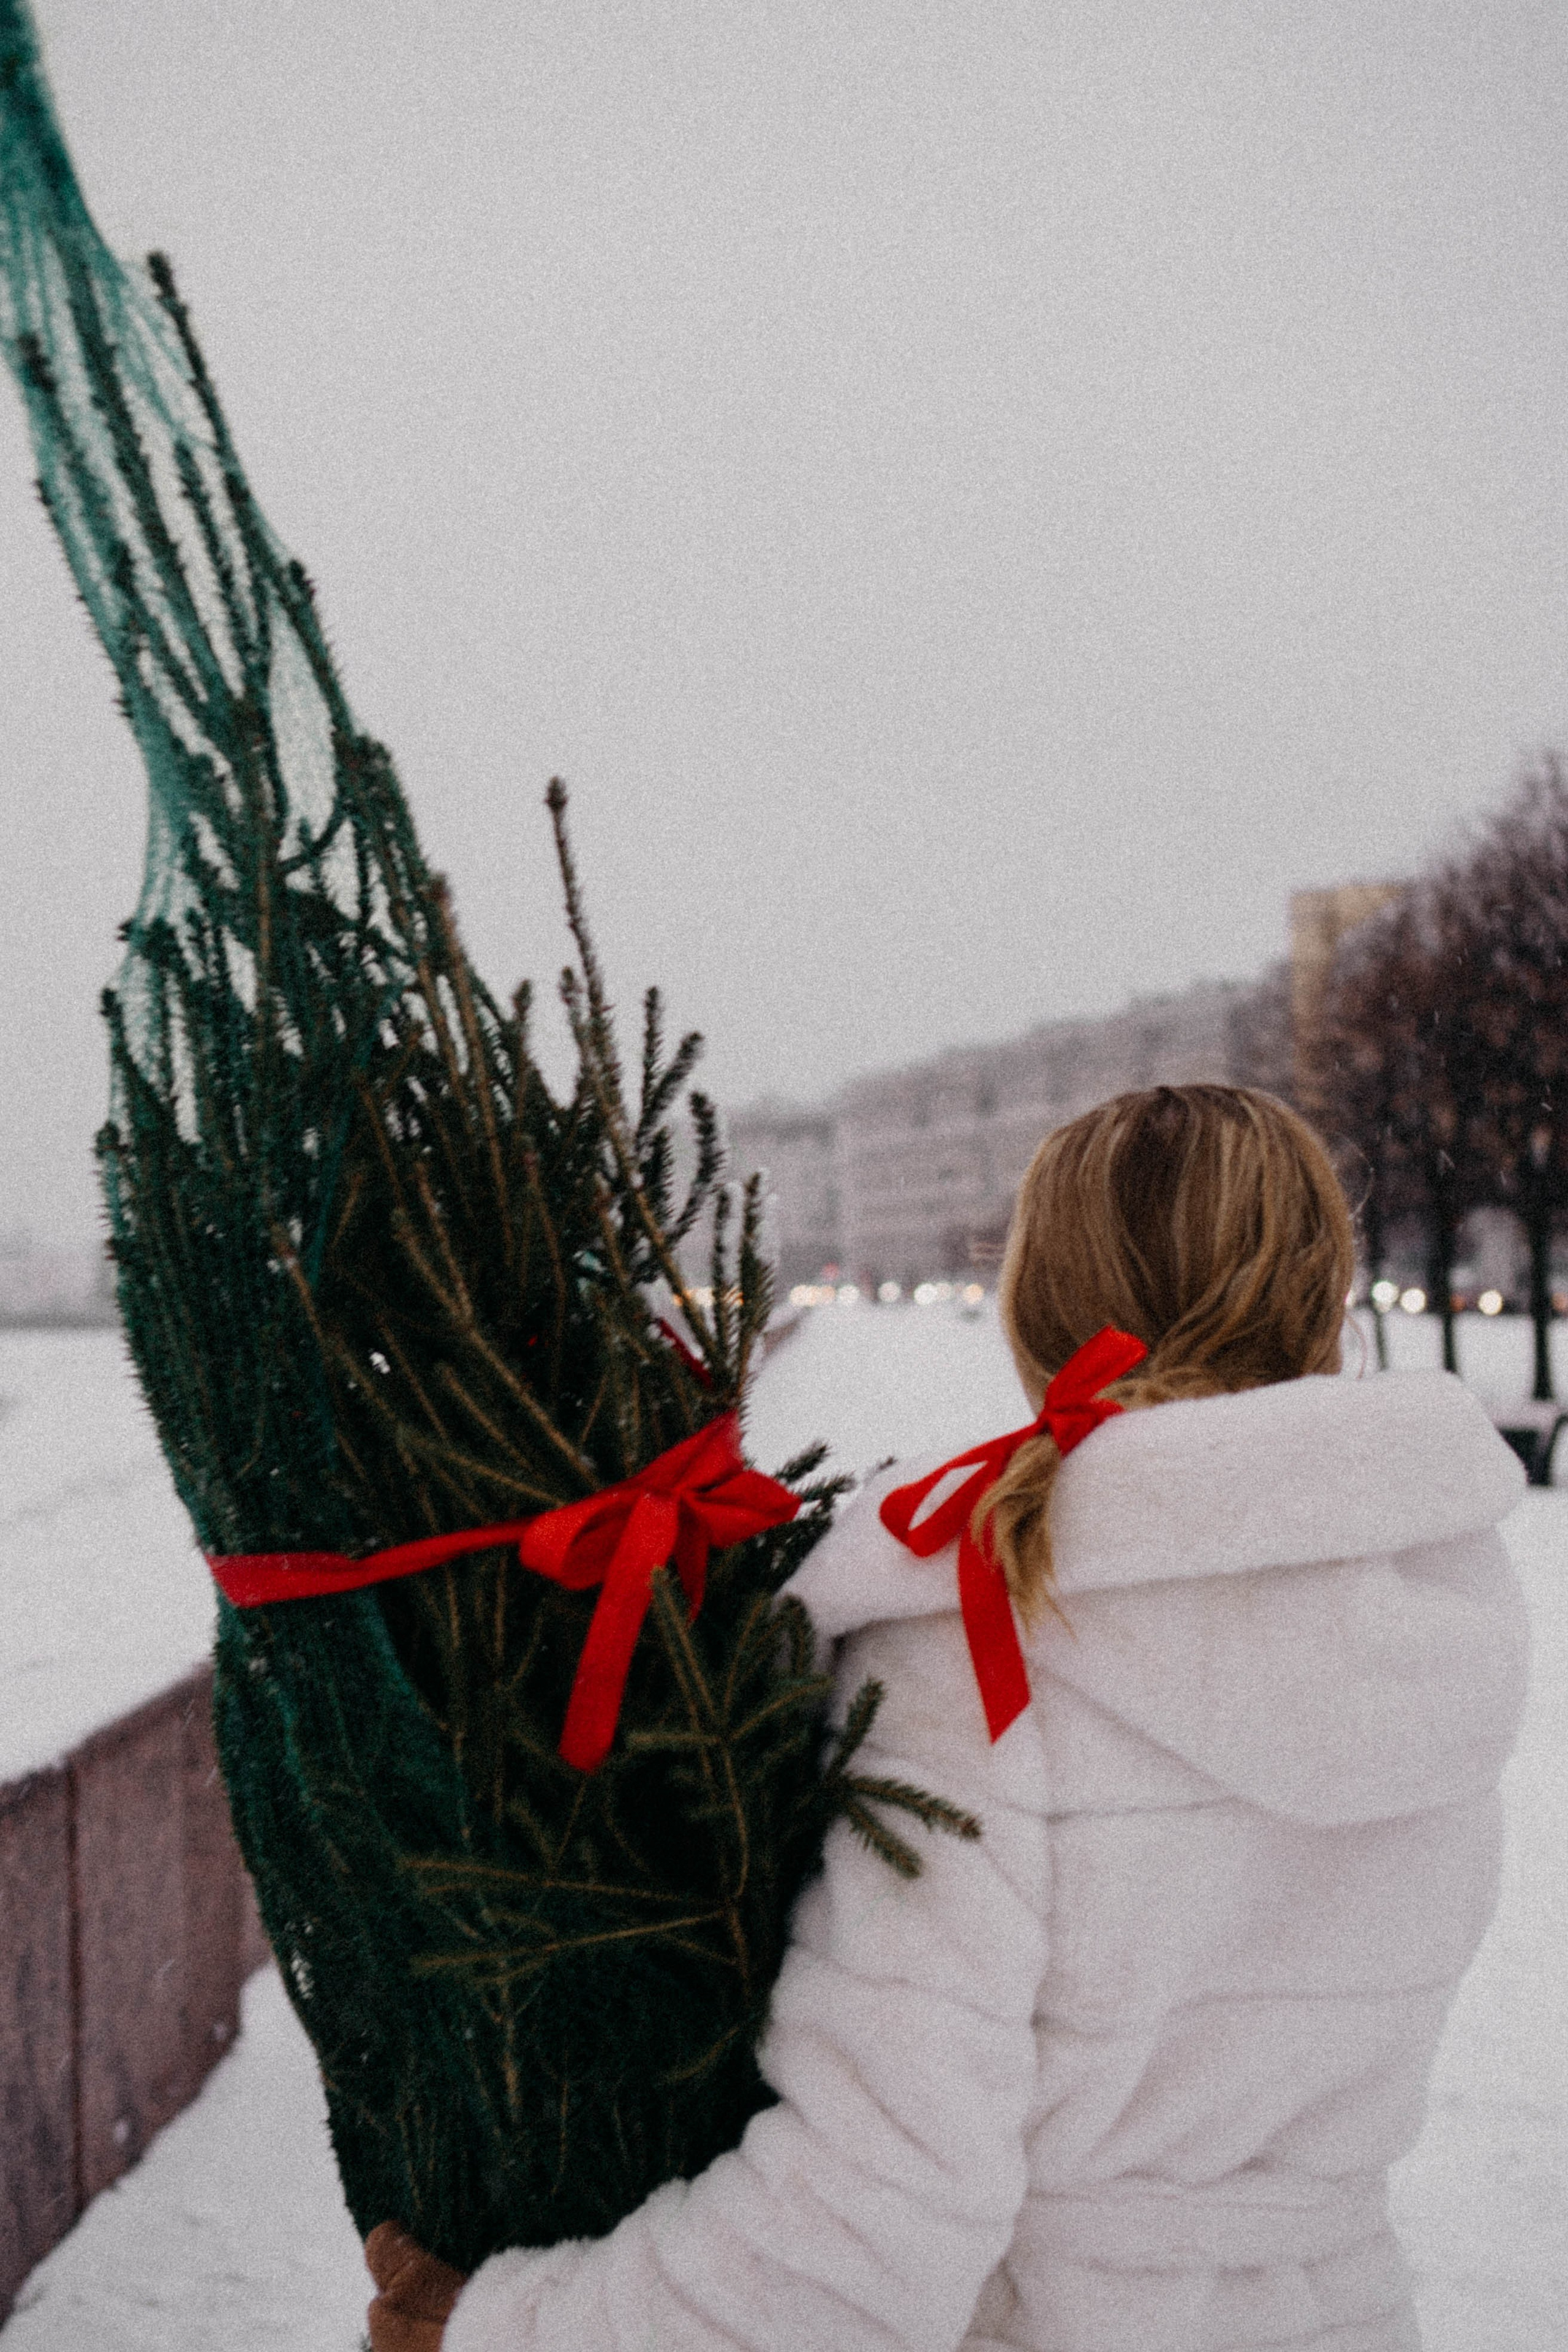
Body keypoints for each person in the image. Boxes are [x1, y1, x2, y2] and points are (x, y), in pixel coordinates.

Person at [366, 1082, 1528, 2352]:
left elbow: (865, 2228)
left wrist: (504, 2328)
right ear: (1322, 1292)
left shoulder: (988, 1645)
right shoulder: (1430, 1619)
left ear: (1038, 1296)